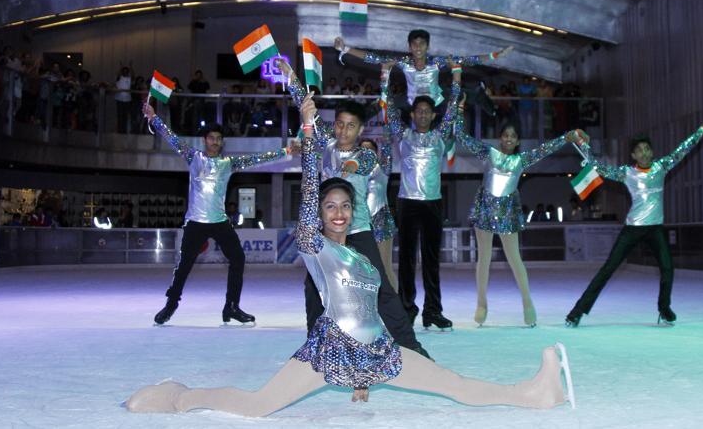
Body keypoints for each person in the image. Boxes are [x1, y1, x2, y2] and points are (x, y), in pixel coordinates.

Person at [125, 129, 574, 418]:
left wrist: (362, 379)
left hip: (378, 354)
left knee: (454, 385)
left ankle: (535, 392)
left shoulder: (362, 259)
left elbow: (370, 315)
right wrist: (306, 135)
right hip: (328, 354)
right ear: (319, 215)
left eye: (344, 206)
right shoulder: (315, 247)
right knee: (259, 406)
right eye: (329, 207)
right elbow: (309, 211)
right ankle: (180, 396)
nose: (338, 213)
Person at [277, 58, 428, 359]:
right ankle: (315, 348)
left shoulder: (366, 154)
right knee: (313, 290)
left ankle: (412, 348)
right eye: (340, 124)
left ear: (360, 129)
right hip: (326, 237)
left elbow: (364, 163)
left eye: (351, 126)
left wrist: (350, 164)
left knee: (382, 289)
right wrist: (292, 78)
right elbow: (308, 110)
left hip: (358, 232)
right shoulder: (327, 145)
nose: (344, 130)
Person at [143, 102, 289, 325]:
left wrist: (286, 150)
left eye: (219, 139)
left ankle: (231, 306)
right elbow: (172, 138)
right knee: (184, 266)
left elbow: (259, 158)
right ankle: (170, 305)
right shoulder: (194, 157)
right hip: (195, 222)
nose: (215, 142)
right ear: (205, 140)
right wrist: (154, 118)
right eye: (212, 138)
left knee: (238, 258)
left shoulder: (228, 163)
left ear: (222, 142)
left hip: (220, 221)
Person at [566, 117, 703, 327]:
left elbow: (683, 149)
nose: (644, 153)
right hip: (632, 229)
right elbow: (597, 166)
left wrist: (702, 130)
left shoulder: (661, 167)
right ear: (633, 155)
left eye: (647, 149)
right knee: (608, 269)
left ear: (652, 152)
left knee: (667, 268)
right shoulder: (626, 172)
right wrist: (583, 144)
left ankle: (664, 310)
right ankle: (577, 311)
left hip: (655, 229)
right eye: (639, 150)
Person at [454, 104, 582, 327]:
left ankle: (527, 303)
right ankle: (481, 304)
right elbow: (463, 137)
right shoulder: (489, 153)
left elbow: (545, 149)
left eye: (513, 136)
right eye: (505, 135)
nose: (509, 139)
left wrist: (566, 138)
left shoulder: (521, 160)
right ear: (500, 138)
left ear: (518, 140)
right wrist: (460, 109)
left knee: (515, 259)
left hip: (507, 212)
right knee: (483, 258)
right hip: (485, 208)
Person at [379, 60, 461, 330]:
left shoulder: (440, 135)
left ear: (433, 115)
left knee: (431, 260)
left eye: (427, 111)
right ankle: (406, 308)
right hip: (407, 203)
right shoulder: (402, 135)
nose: (423, 115)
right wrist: (385, 76)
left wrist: (457, 75)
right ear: (413, 115)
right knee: (406, 259)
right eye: (419, 111)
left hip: (433, 203)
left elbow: (453, 107)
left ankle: (433, 311)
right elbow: (388, 107)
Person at [334, 30, 512, 108]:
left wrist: (494, 55)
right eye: (414, 44)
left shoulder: (437, 62)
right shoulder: (404, 62)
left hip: (437, 100)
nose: (418, 47)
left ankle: (484, 100)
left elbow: (468, 60)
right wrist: (346, 49)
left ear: (427, 47)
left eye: (422, 44)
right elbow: (373, 58)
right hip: (412, 102)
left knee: (462, 93)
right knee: (384, 105)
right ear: (409, 47)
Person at [359, 134, 397, 291]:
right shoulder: (352, 171)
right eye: (363, 149)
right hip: (360, 224)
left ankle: (395, 307)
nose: (366, 152)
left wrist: (387, 115)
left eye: (370, 149)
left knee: (385, 267)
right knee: (362, 269)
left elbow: (388, 147)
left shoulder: (383, 167)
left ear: (376, 152)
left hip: (381, 221)